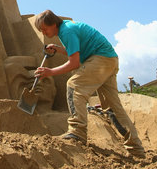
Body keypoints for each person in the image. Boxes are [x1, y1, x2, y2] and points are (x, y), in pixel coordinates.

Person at [34, 9, 145, 158]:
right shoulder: (67, 28)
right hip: (109, 59)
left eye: (44, 29)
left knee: (74, 85)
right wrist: (59, 50)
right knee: (112, 107)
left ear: (53, 24)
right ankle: (136, 148)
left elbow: (74, 63)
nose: (43, 33)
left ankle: (77, 130)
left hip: (100, 59)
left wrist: (50, 72)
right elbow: (75, 52)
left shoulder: (66, 31)